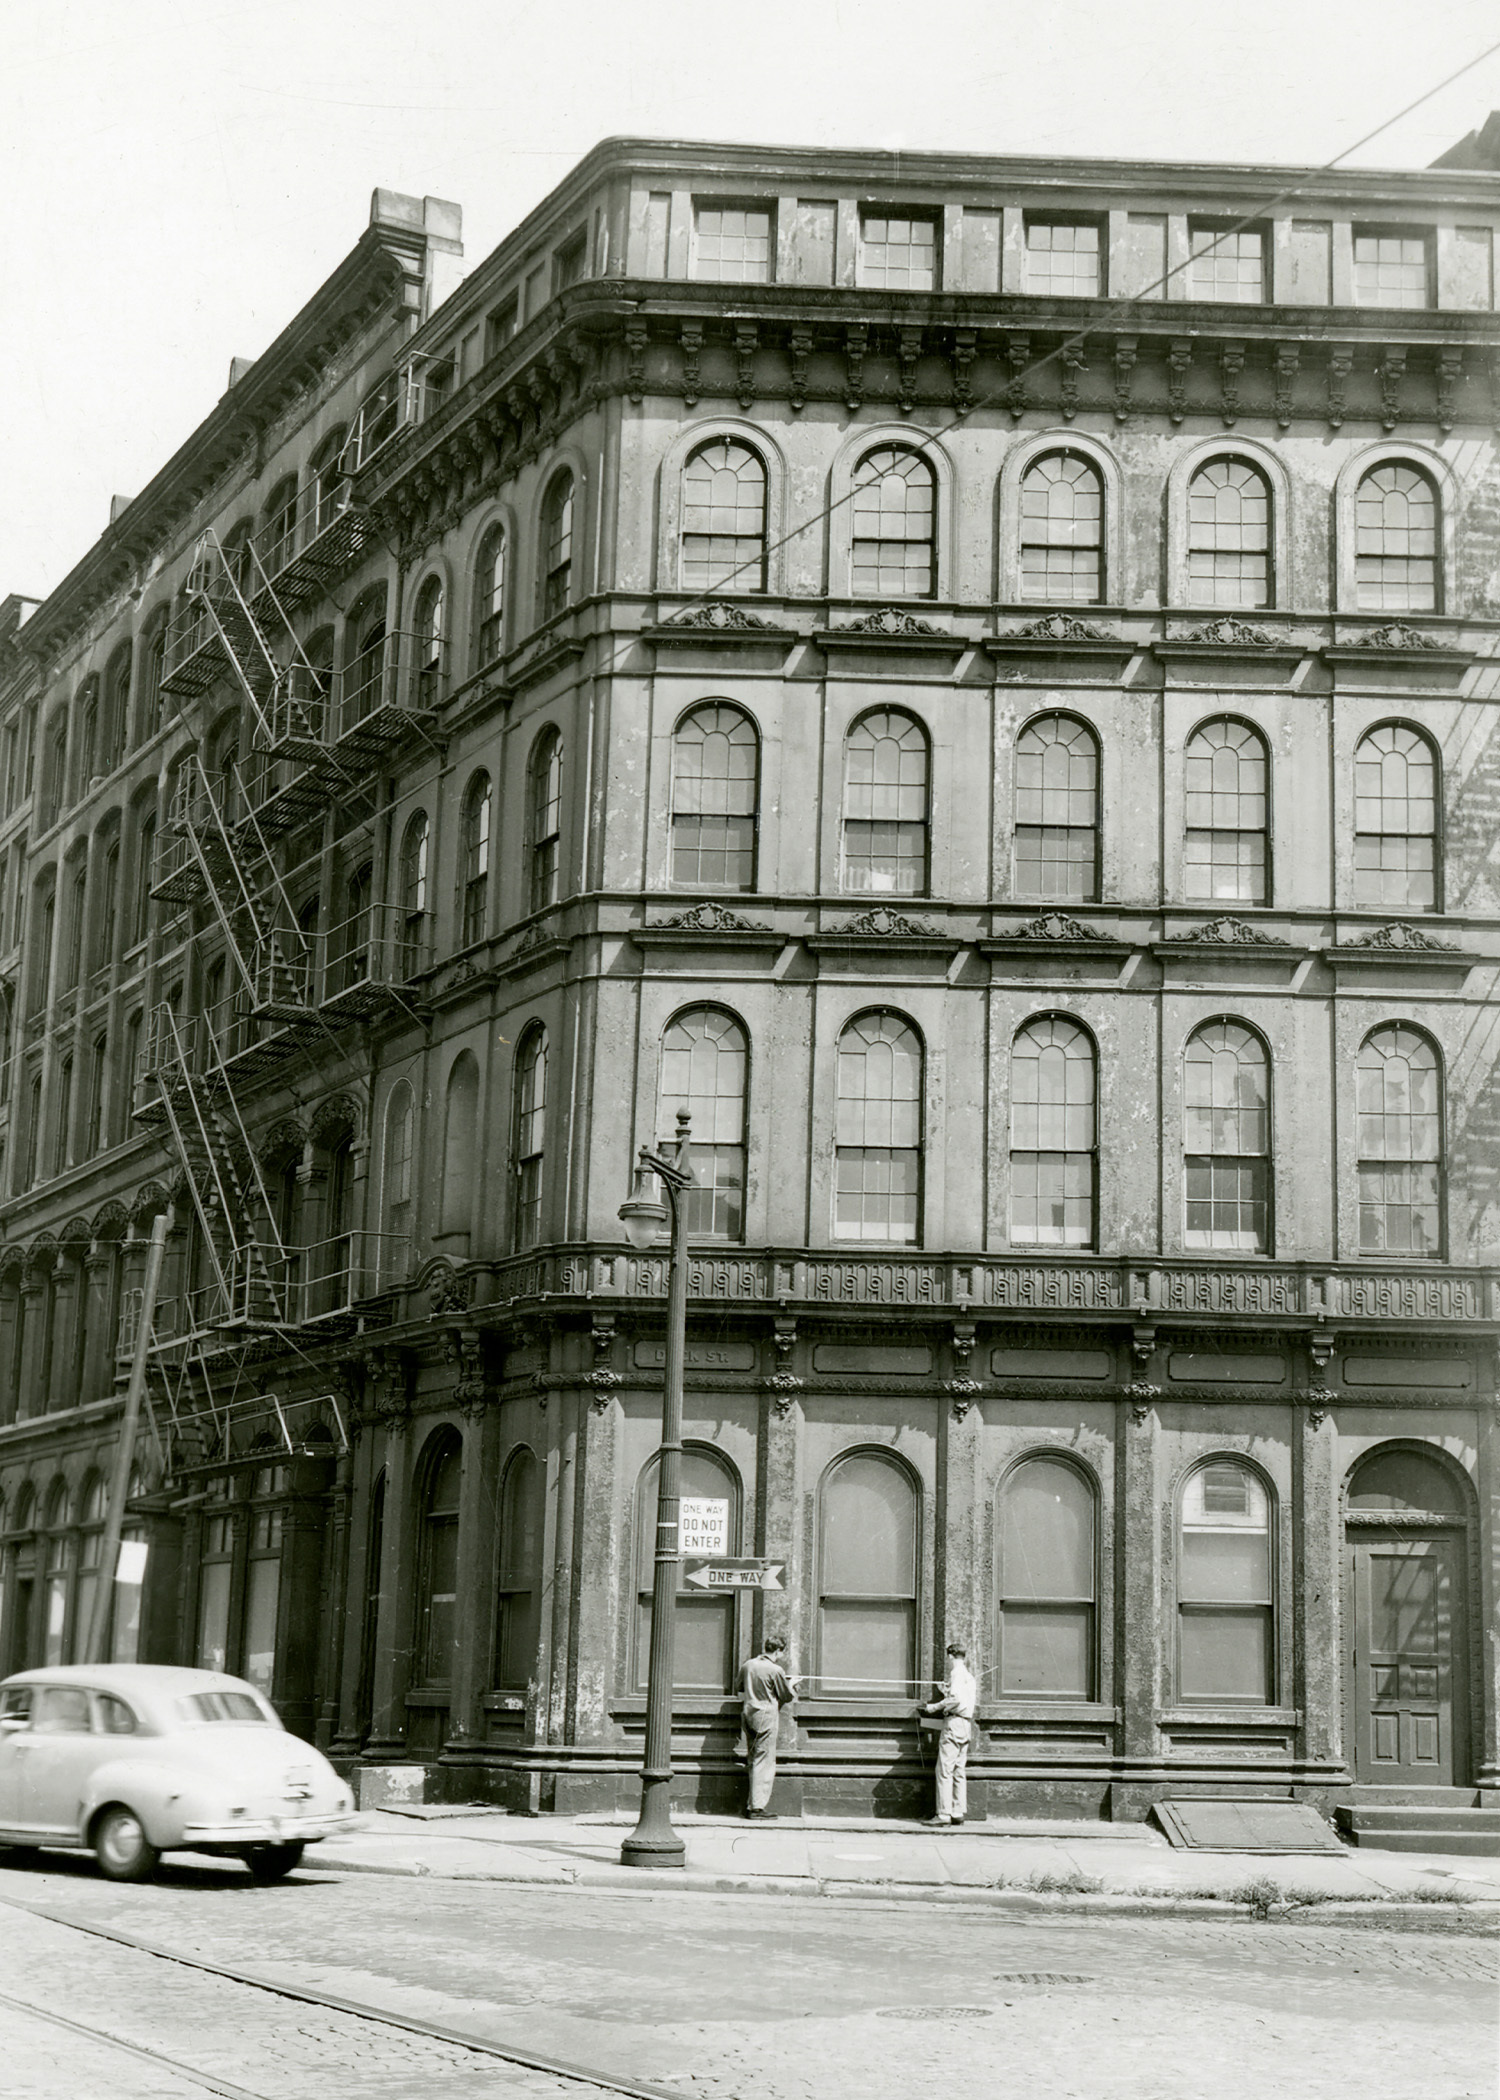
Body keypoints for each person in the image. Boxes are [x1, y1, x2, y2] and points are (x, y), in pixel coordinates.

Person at [736, 1634, 796, 1819]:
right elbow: (786, 1696)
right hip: (766, 1717)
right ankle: (757, 1808)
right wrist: (791, 1684)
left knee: (754, 1759)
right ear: (778, 1650)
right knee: (765, 1761)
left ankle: (751, 1804)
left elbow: (739, 1687)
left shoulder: (748, 1665)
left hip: (748, 1714)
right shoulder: (775, 1669)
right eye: (781, 1652)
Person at [921, 1642, 976, 1826]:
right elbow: (961, 1698)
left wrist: (933, 1707)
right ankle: (957, 1812)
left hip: (953, 1724)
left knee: (944, 1769)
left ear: (950, 1656)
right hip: (966, 1725)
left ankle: (943, 1814)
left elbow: (955, 1699)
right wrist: (945, 1691)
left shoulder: (956, 1673)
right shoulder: (968, 1676)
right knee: (959, 1769)